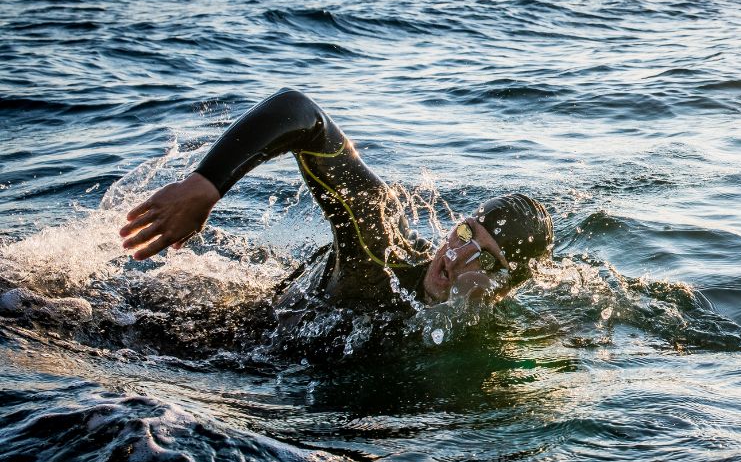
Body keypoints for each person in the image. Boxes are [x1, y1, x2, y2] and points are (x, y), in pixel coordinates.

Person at [119, 89, 553, 332]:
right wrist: (205, 185)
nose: (456, 254)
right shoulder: (381, 252)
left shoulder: (495, 328)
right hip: (207, 342)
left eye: (482, 254)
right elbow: (300, 111)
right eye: (464, 233)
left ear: (505, 286)